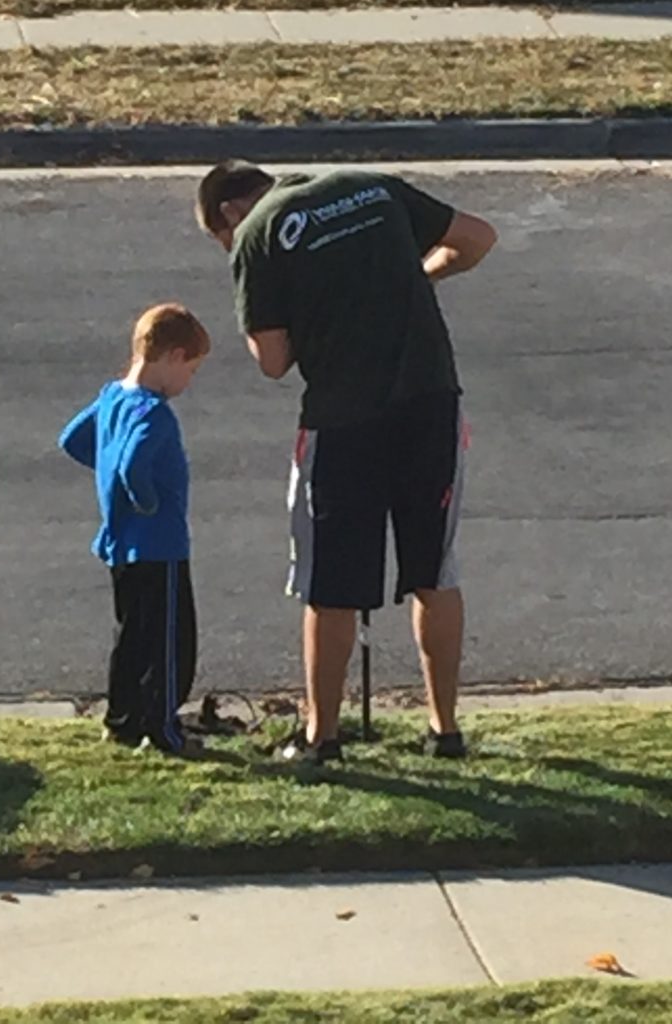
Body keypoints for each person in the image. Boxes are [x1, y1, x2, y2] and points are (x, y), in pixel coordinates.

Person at [195, 160, 497, 764]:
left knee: (330, 586)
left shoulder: (259, 231)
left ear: (230, 212)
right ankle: (445, 730)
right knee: (433, 570)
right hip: (431, 400)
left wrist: (324, 317)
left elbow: (273, 360)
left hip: (343, 420)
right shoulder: (370, 187)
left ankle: (321, 737)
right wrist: (418, 277)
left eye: (220, 239)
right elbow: (475, 239)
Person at [58, 303, 210, 755]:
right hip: (159, 545)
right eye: (191, 370)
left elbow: (73, 439)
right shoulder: (154, 413)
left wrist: (104, 471)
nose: (188, 383)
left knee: (129, 636)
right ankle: (163, 728)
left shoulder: (111, 399)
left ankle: (121, 719)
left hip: (122, 545)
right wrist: (145, 500)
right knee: (169, 642)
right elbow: (133, 465)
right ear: (172, 357)